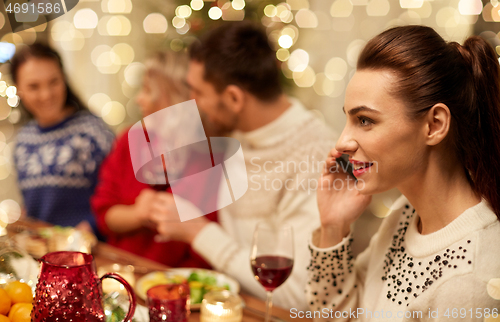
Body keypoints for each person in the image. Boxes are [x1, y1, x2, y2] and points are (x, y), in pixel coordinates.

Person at [306, 25, 500, 320]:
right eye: (350, 119)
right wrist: (333, 227)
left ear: (434, 125)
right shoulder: (406, 213)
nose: (342, 142)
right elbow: (333, 315)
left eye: (365, 120)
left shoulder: (468, 282)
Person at [151, 21, 337, 309]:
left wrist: (197, 232)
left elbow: (297, 296)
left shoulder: (315, 158)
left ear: (234, 98)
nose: (192, 102)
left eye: (198, 92)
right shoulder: (236, 135)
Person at [90, 51, 217, 268]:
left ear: (176, 98)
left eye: (148, 90)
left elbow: (205, 253)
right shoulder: (129, 141)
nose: (139, 99)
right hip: (119, 273)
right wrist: (137, 215)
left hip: (174, 287)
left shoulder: (208, 160)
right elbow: (103, 217)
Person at [11, 43, 114, 237]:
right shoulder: (23, 141)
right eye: (34, 86)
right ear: (18, 90)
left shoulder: (93, 132)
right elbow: (36, 205)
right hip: (41, 251)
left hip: (89, 253)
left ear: (64, 79)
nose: (46, 94)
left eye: (54, 82)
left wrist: (90, 227)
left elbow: (117, 196)